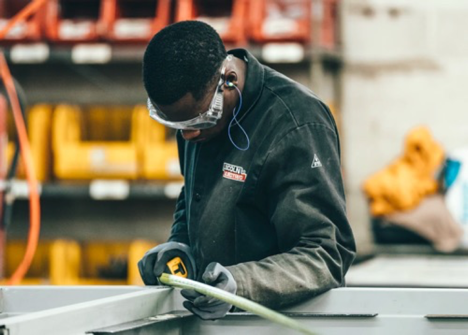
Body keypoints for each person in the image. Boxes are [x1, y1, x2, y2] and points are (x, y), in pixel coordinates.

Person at [138, 20, 356, 320]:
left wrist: (243, 285)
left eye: (199, 122)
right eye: (179, 127)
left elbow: (325, 255)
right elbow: (195, 193)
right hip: (217, 321)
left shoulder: (296, 124)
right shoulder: (196, 116)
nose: (188, 136)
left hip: (280, 323)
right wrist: (180, 246)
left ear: (228, 80)